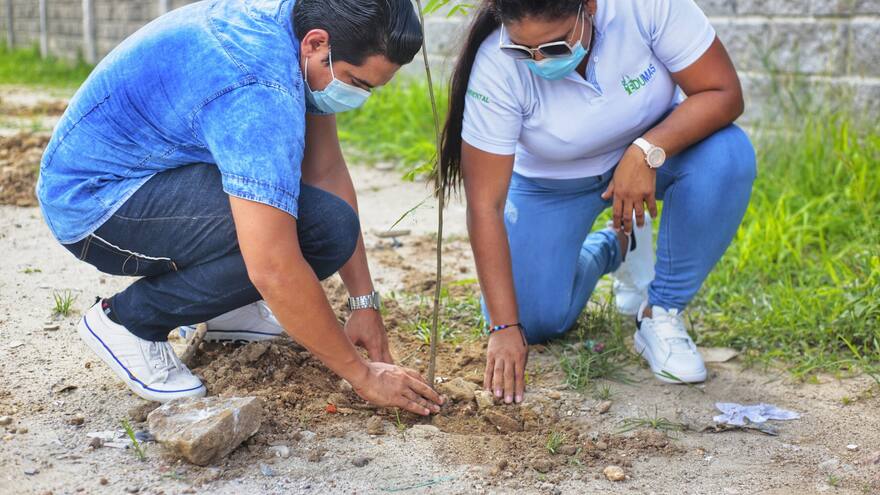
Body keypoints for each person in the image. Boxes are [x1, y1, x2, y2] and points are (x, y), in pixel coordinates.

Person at [37, 0, 443, 416]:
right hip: (96, 203)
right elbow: (273, 267)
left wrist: (364, 302)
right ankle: (130, 321)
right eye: (357, 82)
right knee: (320, 231)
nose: (359, 96)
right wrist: (364, 375)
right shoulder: (260, 87)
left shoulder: (298, 32)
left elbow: (325, 173)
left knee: (318, 216)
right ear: (316, 43)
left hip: (150, 168)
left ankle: (226, 310)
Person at [438, 0, 756, 403]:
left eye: (554, 47)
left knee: (727, 156)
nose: (539, 62)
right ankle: (618, 244)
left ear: (588, 7)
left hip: (653, 155)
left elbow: (723, 93)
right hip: (553, 183)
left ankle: (660, 312)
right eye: (524, 51)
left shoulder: (644, 8)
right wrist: (503, 328)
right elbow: (486, 205)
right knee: (533, 320)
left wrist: (646, 151)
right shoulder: (496, 62)